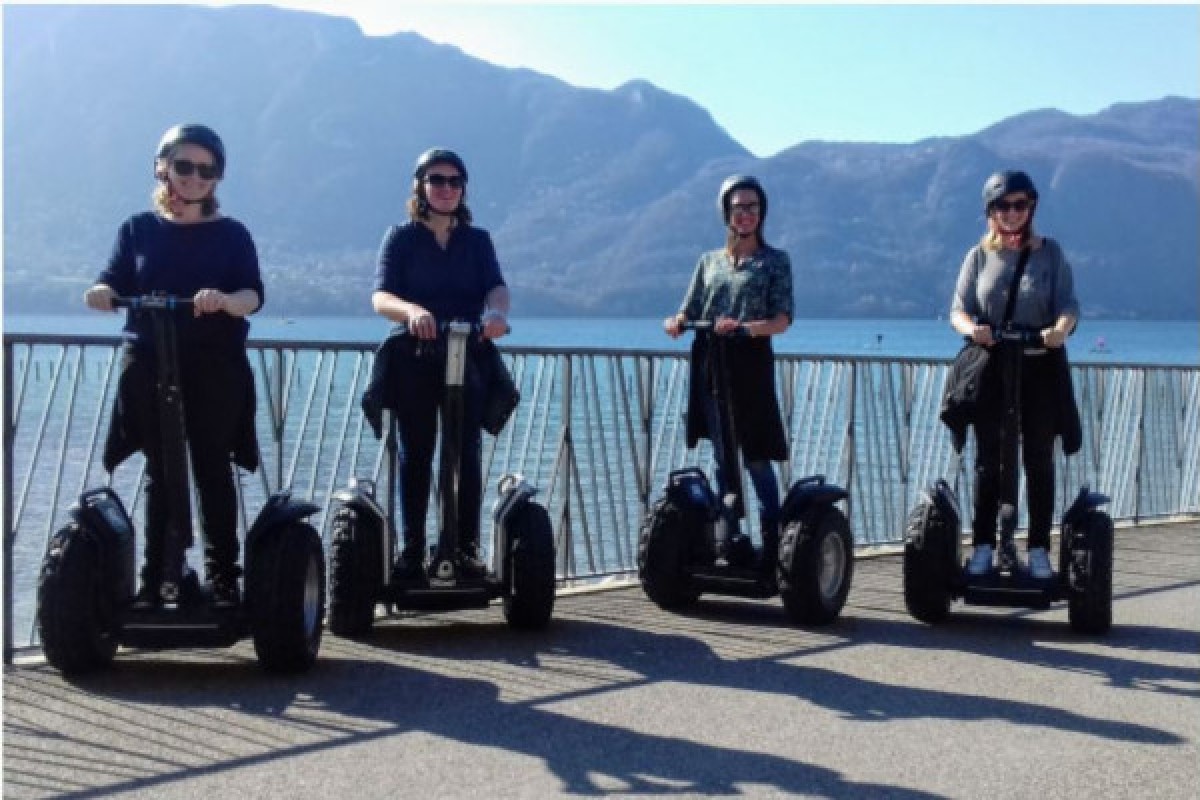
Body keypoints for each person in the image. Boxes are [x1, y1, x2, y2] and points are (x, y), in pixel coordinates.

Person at [84, 123, 263, 609]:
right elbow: (110, 280)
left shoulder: (231, 234)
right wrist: (101, 294)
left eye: (206, 170)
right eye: (184, 166)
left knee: (211, 467)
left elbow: (253, 295)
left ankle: (225, 580)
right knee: (160, 471)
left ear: (216, 179)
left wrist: (224, 300)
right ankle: (158, 580)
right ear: (163, 167)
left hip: (213, 366)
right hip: (150, 364)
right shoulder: (137, 229)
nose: (194, 177)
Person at [371, 148, 511, 581]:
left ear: (463, 188)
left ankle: (463, 548)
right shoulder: (401, 237)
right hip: (416, 354)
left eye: (454, 181)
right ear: (420, 186)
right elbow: (380, 297)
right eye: (436, 180)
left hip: (465, 353)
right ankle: (412, 552)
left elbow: (496, 287)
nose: (445, 188)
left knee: (465, 452)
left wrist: (496, 316)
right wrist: (412, 312)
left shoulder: (477, 240)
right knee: (416, 453)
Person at [950, 170, 1080, 580]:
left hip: (1039, 365)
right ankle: (984, 546)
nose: (1011, 213)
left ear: (1031, 207)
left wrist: (1060, 329)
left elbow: (1069, 305)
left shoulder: (1050, 254)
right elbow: (958, 309)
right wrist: (973, 329)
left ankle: (1039, 547)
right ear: (991, 211)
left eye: (1019, 205)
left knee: (1038, 456)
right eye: (1002, 206)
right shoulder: (978, 256)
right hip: (991, 367)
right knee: (989, 458)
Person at [664, 174, 793, 573]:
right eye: (738, 208)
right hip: (711, 364)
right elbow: (690, 307)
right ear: (727, 213)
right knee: (722, 455)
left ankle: (776, 538)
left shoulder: (774, 261)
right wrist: (678, 321)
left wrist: (746, 328)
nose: (746, 215)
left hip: (749, 364)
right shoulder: (710, 262)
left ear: (762, 212)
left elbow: (783, 319)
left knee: (755, 454)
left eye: (752, 207)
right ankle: (729, 538)